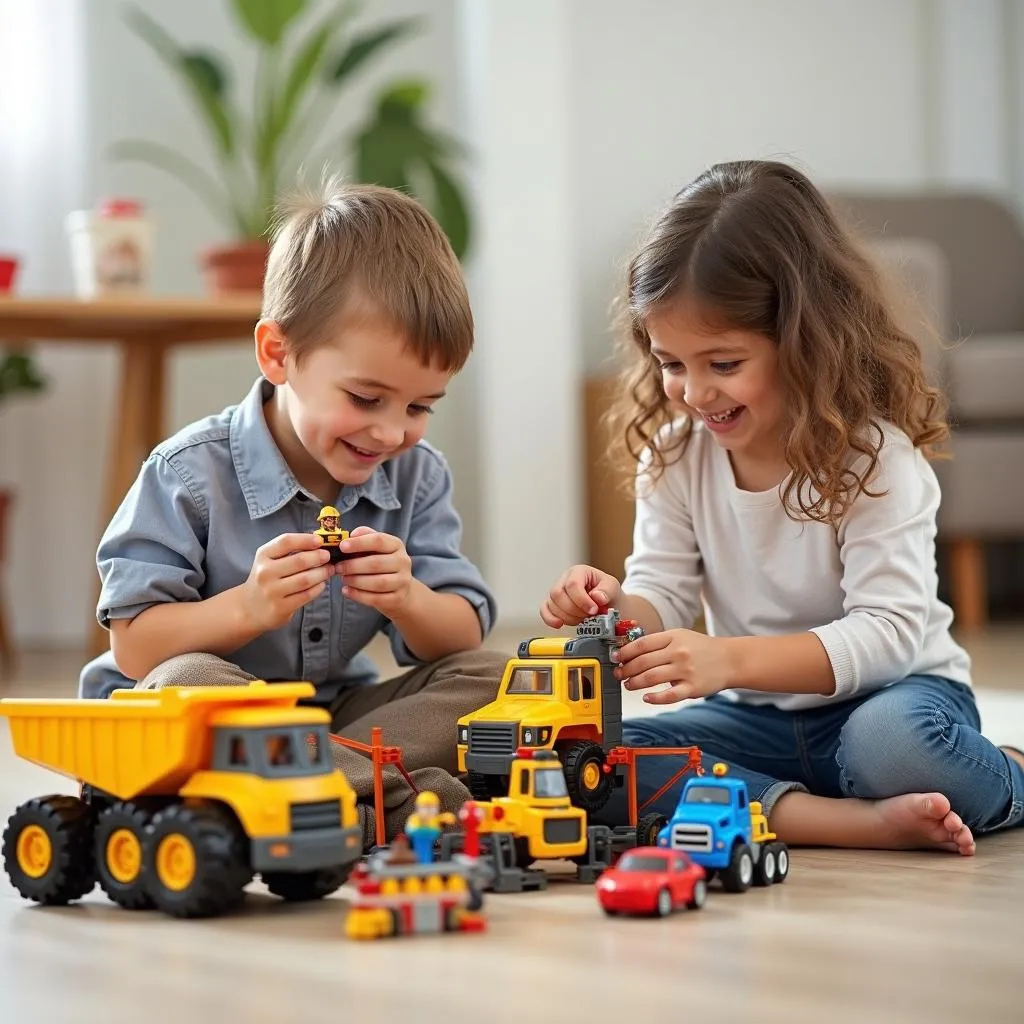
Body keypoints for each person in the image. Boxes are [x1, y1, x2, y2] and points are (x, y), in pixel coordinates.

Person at [541, 159, 1024, 855]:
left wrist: (729, 660)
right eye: (672, 363)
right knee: (587, 757)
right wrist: (613, 609)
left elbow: (888, 634)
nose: (694, 391)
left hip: (890, 702)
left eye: (723, 364)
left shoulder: (875, 459)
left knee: (894, 748)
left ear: (804, 338)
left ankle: (1008, 776)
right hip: (755, 720)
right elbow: (663, 595)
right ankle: (854, 822)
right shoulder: (676, 456)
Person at [78, 176, 507, 847]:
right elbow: (134, 649)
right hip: (188, 719)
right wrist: (246, 609)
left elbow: (457, 641)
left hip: (327, 719)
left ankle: (326, 787)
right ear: (279, 354)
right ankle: (393, 800)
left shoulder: (417, 477)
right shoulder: (189, 473)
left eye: (420, 407)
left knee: (496, 680)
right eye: (367, 399)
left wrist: (408, 599)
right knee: (186, 683)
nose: (392, 433)